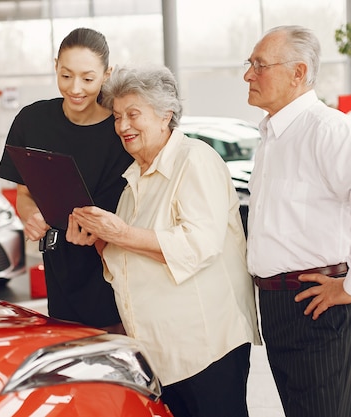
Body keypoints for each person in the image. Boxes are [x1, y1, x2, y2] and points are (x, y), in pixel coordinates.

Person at [66, 65, 261, 417]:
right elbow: (127, 260)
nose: (123, 126)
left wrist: (120, 233)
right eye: (117, 116)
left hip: (205, 349)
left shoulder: (195, 160)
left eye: (133, 115)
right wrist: (97, 237)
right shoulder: (134, 180)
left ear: (165, 115)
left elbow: (199, 243)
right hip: (162, 354)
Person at [243, 25, 351, 417]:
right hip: (282, 306)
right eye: (249, 64)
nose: (248, 74)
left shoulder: (327, 128)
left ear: (298, 73)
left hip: (323, 304)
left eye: (259, 65)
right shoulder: (273, 136)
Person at [0, 28, 133, 333]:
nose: (76, 88)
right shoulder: (32, 121)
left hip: (117, 268)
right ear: (55, 65)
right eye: (66, 75)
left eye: (88, 78)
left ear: (107, 74)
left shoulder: (122, 128)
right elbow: (25, 194)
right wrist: (31, 216)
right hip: (62, 271)